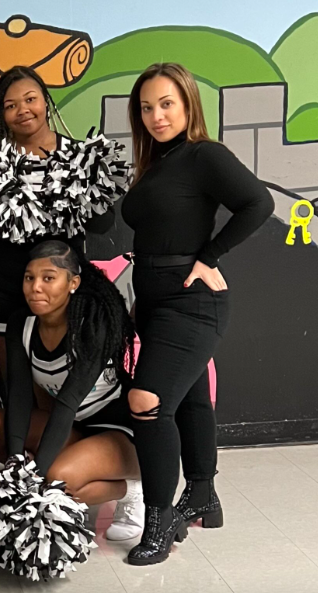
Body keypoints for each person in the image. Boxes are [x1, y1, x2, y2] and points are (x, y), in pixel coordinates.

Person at [121, 63, 272, 565]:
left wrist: (210, 257)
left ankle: (159, 521)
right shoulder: (157, 163)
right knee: (188, 399)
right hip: (154, 300)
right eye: (147, 107)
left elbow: (258, 203)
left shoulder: (204, 154)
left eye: (167, 104)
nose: (157, 116)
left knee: (147, 401)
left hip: (192, 301)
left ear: (188, 104)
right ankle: (203, 495)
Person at [0, 241, 143, 540]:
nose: (36, 288)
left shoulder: (92, 324)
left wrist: (36, 478)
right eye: (29, 277)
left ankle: (131, 491)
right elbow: (19, 395)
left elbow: (68, 401)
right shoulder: (22, 324)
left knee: (56, 480)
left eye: (48, 278)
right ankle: (65, 473)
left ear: (73, 283)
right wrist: (15, 462)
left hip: (119, 432)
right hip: (72, 428)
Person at [0, 66, 115, 379]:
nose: (23, 110)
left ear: (46, 101)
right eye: (11, 105)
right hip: (4, 291)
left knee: (64, 383)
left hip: (62, 294)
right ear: (2, 114)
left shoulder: (78, 157)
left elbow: (103, 225)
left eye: (30, 99)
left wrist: (82, 181)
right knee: (13, 386)